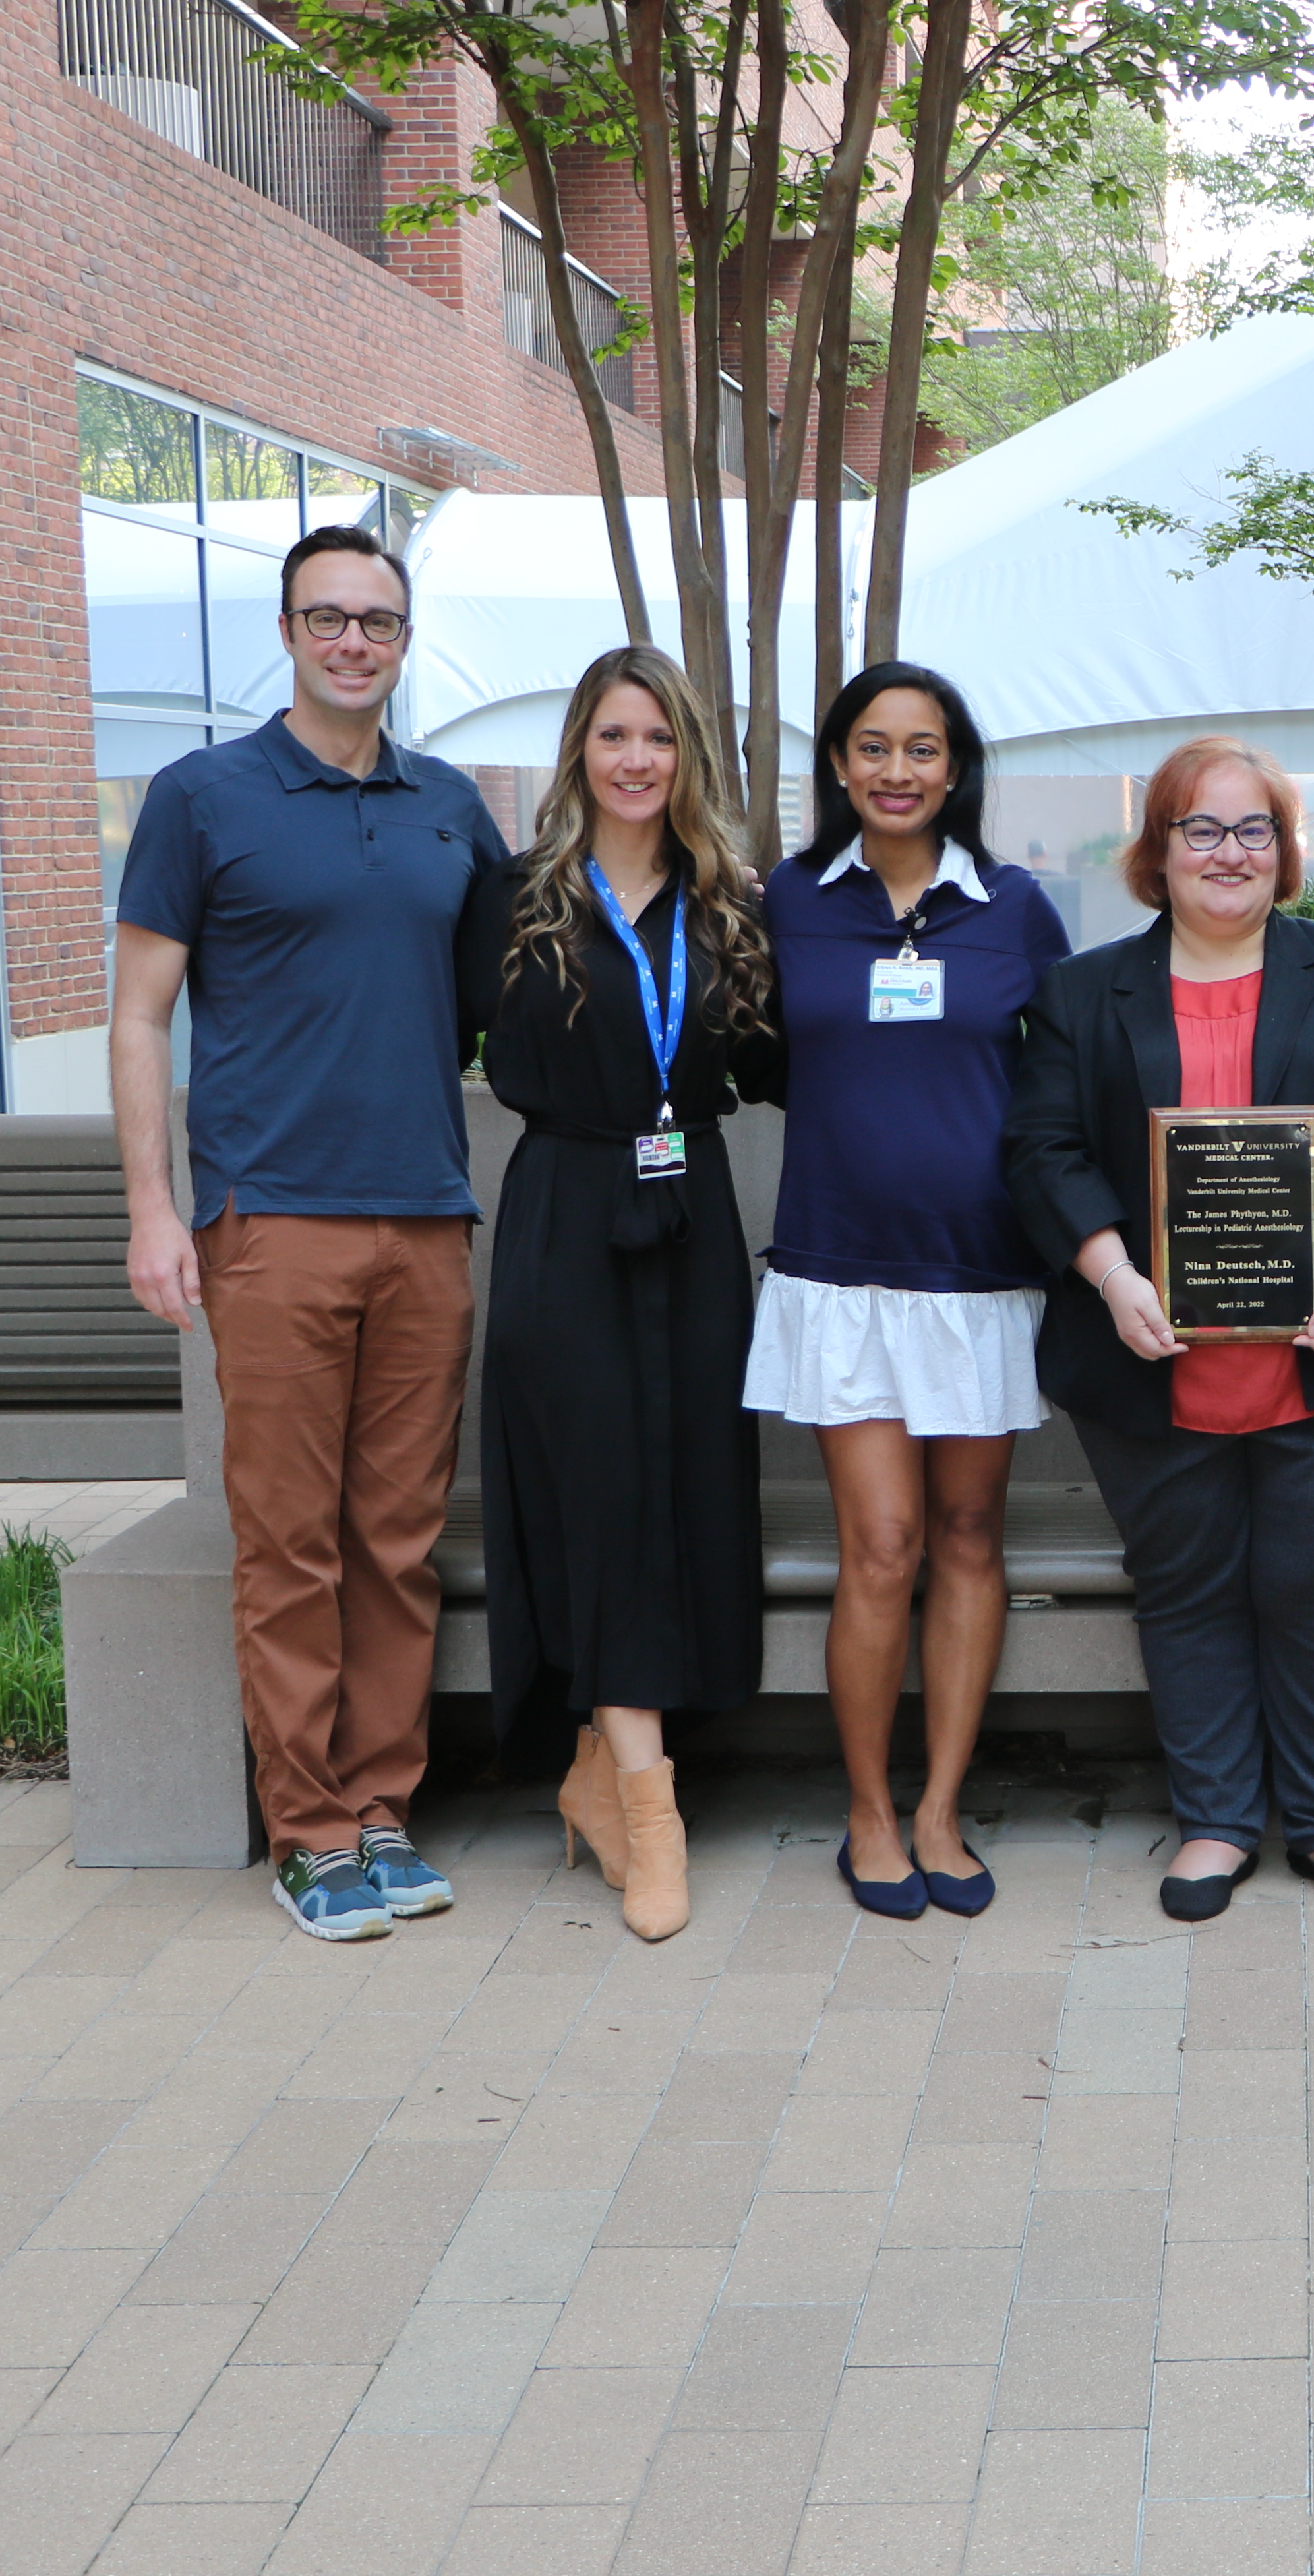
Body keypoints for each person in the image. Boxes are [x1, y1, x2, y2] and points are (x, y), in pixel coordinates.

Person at [113, 523, 512, 1942]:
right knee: (291, 1543)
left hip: (427, 1219)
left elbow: (514, 991)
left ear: (405, 640)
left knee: (397, 1541)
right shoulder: (201, 797)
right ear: (287, 631)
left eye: (378, 620)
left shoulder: (450, 806)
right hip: (271, 1220)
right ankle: (308, 1827)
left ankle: (383, 1808)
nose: (354, 640)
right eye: (328, 616)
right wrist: (153, 1208)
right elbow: (140, 1014)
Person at [1003, 738, 1314, 1924]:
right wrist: (1113, 1276)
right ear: (1156, 849)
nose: (1228, 853)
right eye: (1199, 829)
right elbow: (1042, 1152)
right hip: (1148, 1355)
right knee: (1186, 1583)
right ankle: (1214, 1820)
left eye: (1253, 829)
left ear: (1285, 850)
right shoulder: (1082, 992)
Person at [464, 646, 782, 1945]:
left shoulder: (728, 907)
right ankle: (653, 1807)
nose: (636, 758)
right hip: (566, 1215)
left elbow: (786, 1064)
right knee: (596, 1486)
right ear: (578, 753)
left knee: (686, 1478)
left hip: (690, 1213)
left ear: (686, 755)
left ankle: (600, 1766)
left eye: (658, 736)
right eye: (613, 735)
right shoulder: (512, 899)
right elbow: (426, 1034)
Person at [753, 663, 1073, 1920]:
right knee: (881, 1547)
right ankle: (869, 1813)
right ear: (839, 764)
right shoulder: (786, 900)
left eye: (923, 749)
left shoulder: (1016, 908)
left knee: (970, 1538)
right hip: (842, 1271)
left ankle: (941, 1808)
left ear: (956, 768)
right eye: (874, 747)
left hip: (981, 1274)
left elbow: (1064, 1080)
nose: (898, 771)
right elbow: (754, 1055)